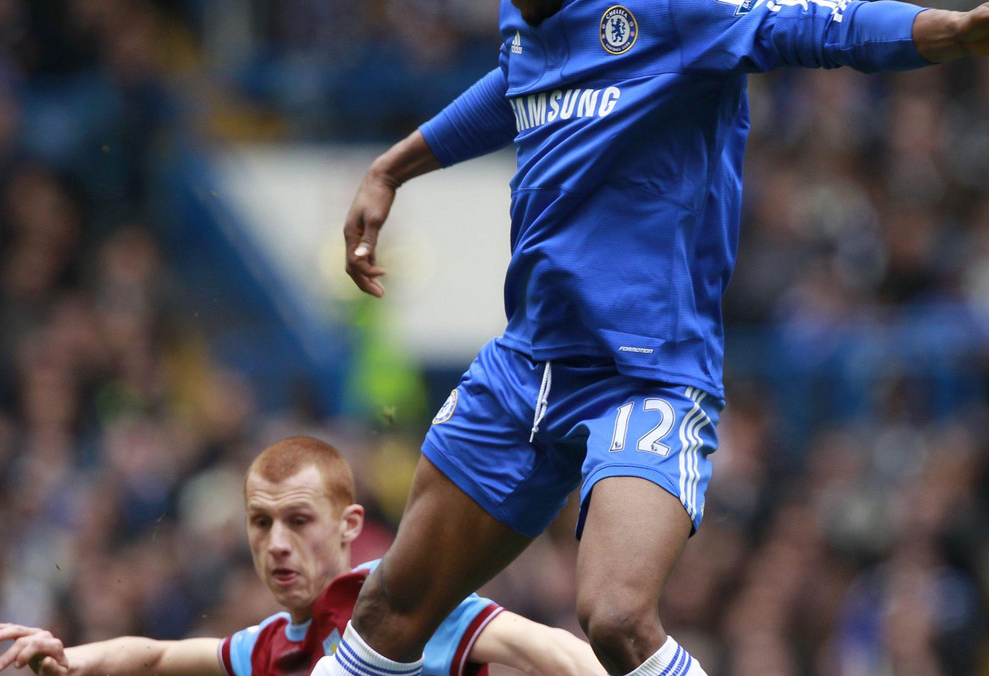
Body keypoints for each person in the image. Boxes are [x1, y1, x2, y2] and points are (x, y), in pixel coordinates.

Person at [312, 1, 989, 675]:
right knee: (385, 616)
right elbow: (516, 83)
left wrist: (954, 31)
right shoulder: (523, 24)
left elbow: (814, 26)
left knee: (616, 616)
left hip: (645, 376)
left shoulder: (673, 12)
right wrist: (391, 167)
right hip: (526, 366)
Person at [0, 436, 606, 676]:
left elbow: (555, 651)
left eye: (299, 520)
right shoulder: (274, 645)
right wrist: (70, 659)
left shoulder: (406, 599)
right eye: (261, 522)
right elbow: (154, 657)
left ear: (349, 525)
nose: (276, 543)